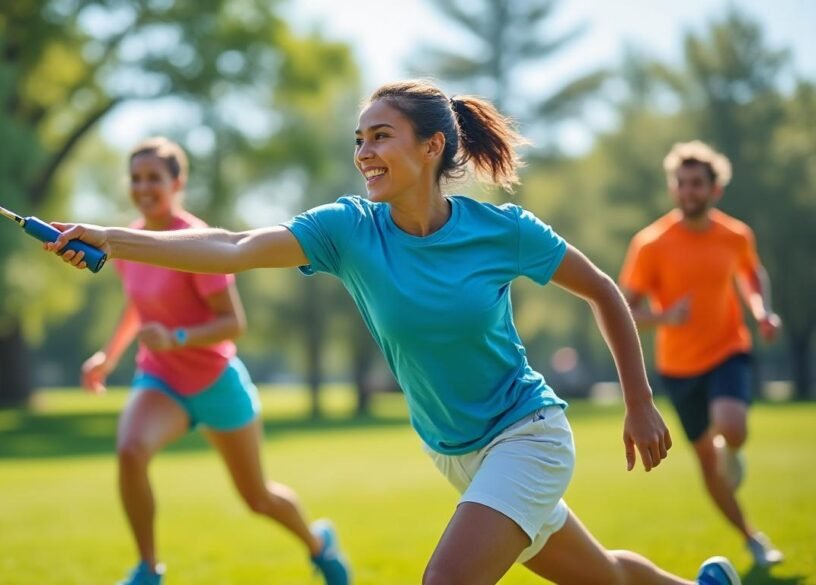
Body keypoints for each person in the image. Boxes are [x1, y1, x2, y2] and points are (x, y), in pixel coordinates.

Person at [47, 82, 741, 585]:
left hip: (527, 434)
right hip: (455, 451)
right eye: (359, 139)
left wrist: (638, 400)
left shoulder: (502, 230)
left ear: (432, 146)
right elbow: (232, 246)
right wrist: (110, 237)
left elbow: (604, 291)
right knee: (603, 578)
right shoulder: (348, 229)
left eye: (380, 136)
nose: (364, 152)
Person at [80, 137, 351, 585]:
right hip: (161, 379)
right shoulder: (127, 243)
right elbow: (136, 305)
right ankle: (148, 569)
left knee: (257, 497)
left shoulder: (196, 242)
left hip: (215, 381)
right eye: (136, 178)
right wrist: (108, 357)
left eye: (154, 178)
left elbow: (233, 323)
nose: (143, 187)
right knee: (130, 450)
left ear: (177, 183)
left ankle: (318, 545)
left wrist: (176, 338)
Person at [619, 140, 784, 568]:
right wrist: (664, 317)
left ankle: (733, 447)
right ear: (673, 188)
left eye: (697, 183)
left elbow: (751, 273)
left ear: (715, 189)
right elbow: (623, 310)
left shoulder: (735, 235)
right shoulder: (651, 243)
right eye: (682, 183)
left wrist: (761, 311)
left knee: (733, 426)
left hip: (728, 349)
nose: (688, 191)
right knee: (709, 466)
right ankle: (752, 538)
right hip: (678, 368)